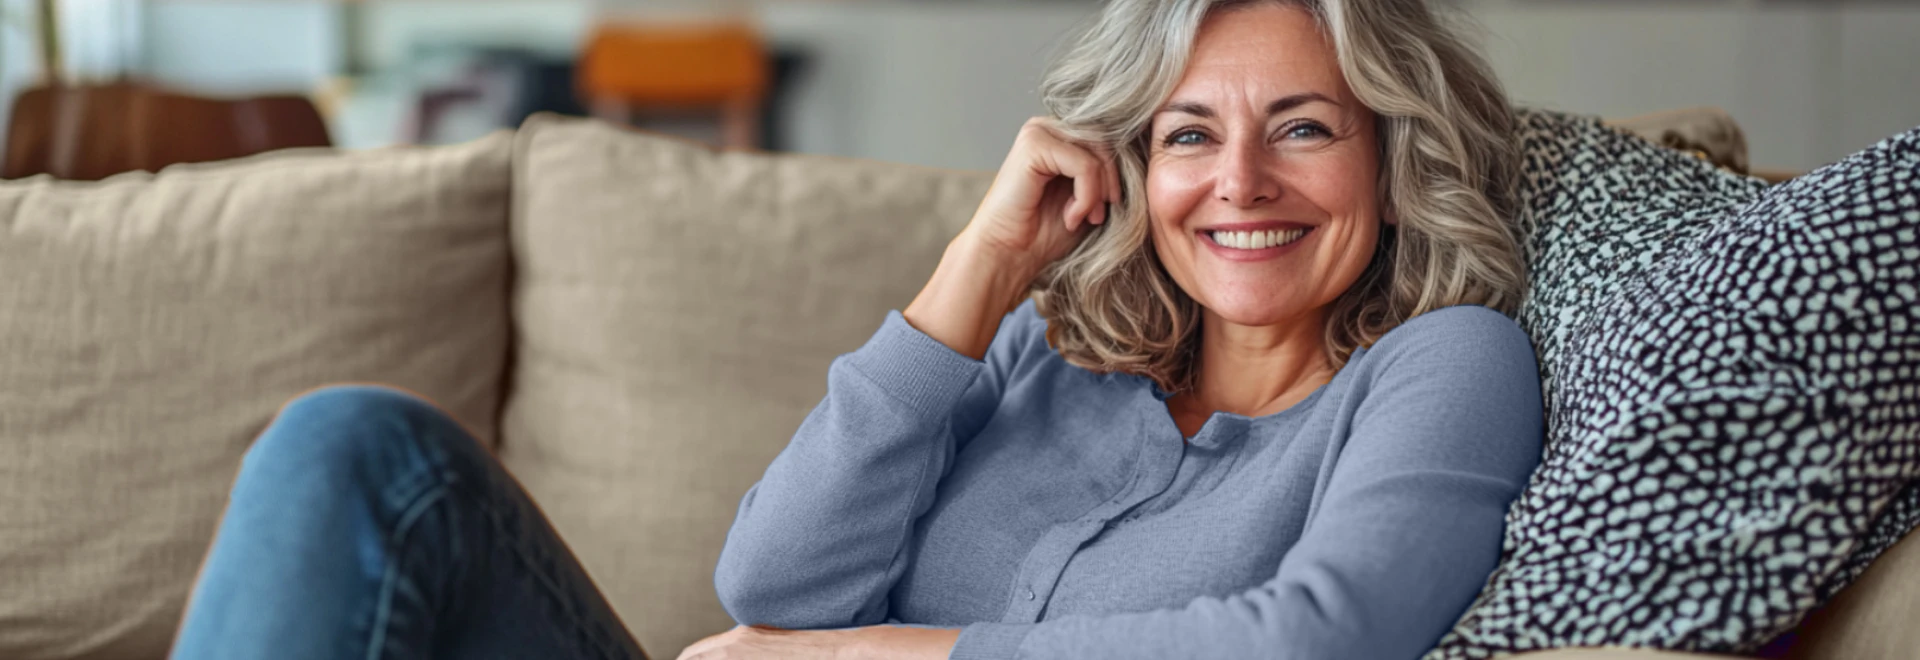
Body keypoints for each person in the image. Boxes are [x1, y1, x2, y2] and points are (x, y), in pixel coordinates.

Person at [171, 0, 1542, 658]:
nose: (1238, 185)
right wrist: (977, 269)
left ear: (1392, 157)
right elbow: (773, 584)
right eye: (1191, 135)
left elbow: (1315, 642)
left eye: (1303, 128)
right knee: (359, 450)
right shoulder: (1054, 348)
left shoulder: (1441, 364)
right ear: (1134, 169)